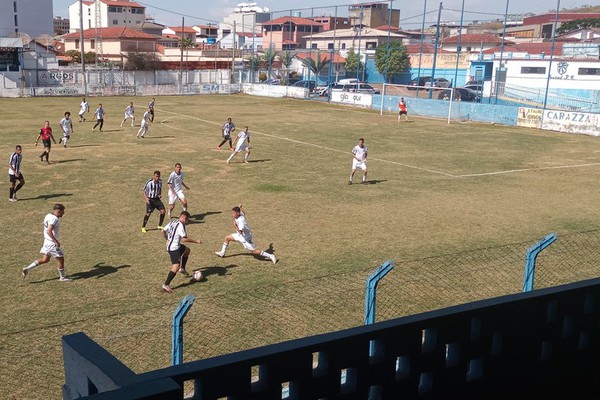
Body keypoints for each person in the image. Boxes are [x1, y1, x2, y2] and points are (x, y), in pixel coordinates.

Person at [21, 204, 72, 282]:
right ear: (59, 211)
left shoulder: (48, 215)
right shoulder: (55, 219)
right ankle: (62, 277)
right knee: (61, 259)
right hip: (52, 244)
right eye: (63, 211)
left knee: (45, 259)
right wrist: (56, 241)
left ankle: (27, 269)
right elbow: (49, 230)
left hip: (46, 242)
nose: (63, 213)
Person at [161, 211, 202, 293]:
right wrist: (196, 241)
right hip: (174, 248)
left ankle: (182, 268)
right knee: (175, 267)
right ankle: (166, 284)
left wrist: (167, 239)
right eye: (187, 220)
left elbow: (162, 231)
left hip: (174, 245)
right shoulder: (180, 225)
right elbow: (185, 239)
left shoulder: (173, 221)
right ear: (184, 218)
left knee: (187, 250)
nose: (187, 222)